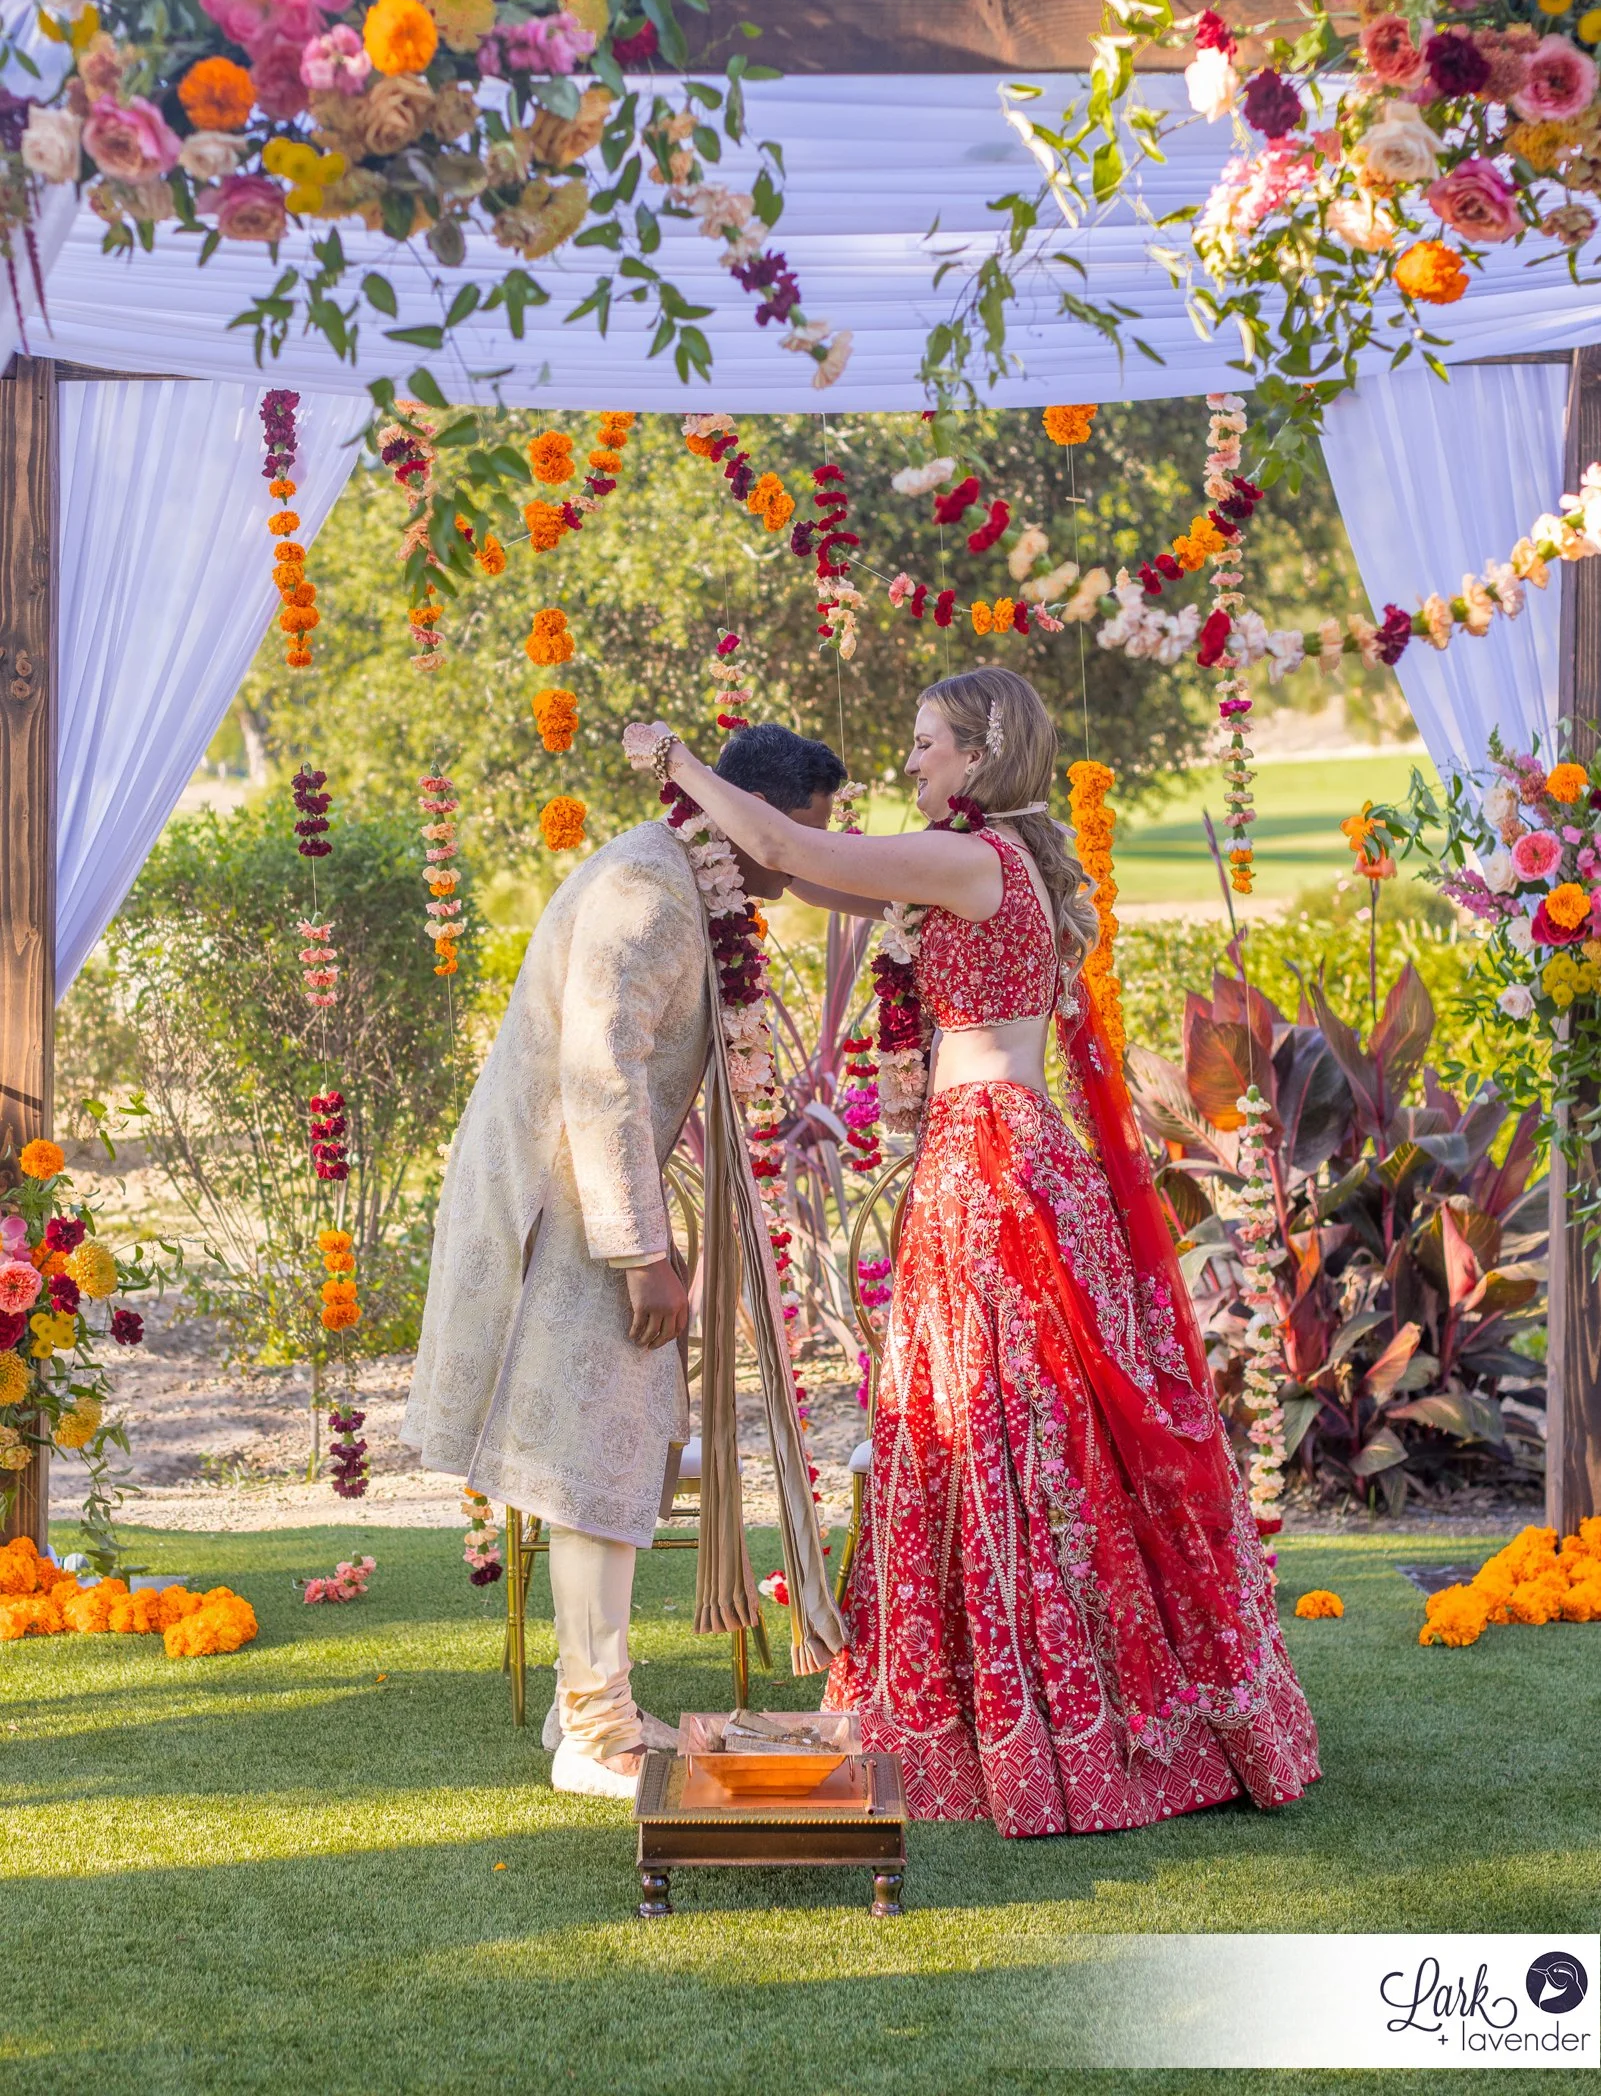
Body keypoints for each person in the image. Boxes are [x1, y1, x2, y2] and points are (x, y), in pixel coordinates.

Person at [630, 667, 1319, 1838]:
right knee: (1017, 1430)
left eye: (925, 741)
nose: (909, 761)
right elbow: (800, 870)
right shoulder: (988, 863)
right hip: (997, 1152)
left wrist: (676, 762)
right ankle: (1069, 1706)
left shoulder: (972, 860)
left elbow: (790, 846)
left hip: (989, 1162)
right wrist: (726, 843)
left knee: (998, 1427)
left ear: (979, 754)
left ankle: (1049, 1722)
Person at [402, 722, 845, 1799]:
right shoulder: (647, 892)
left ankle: (586, 1699)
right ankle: (595, 1733)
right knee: (592, 1455)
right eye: (802, 832)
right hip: (562, 1204)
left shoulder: (679, 877)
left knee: (611, 1442)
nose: (801, 857)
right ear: (754, 816)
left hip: (582, 1199)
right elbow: (601, 1074)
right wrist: (642, 1252)